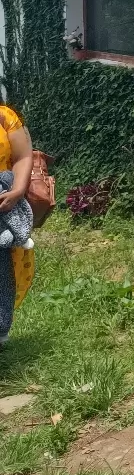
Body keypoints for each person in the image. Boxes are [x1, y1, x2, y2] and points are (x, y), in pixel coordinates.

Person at [0, 105, 34, 344]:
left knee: (2, 271)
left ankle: (0, 329)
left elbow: (23, 156)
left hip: (2, 204)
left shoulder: (5, 117)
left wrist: (18, 191)